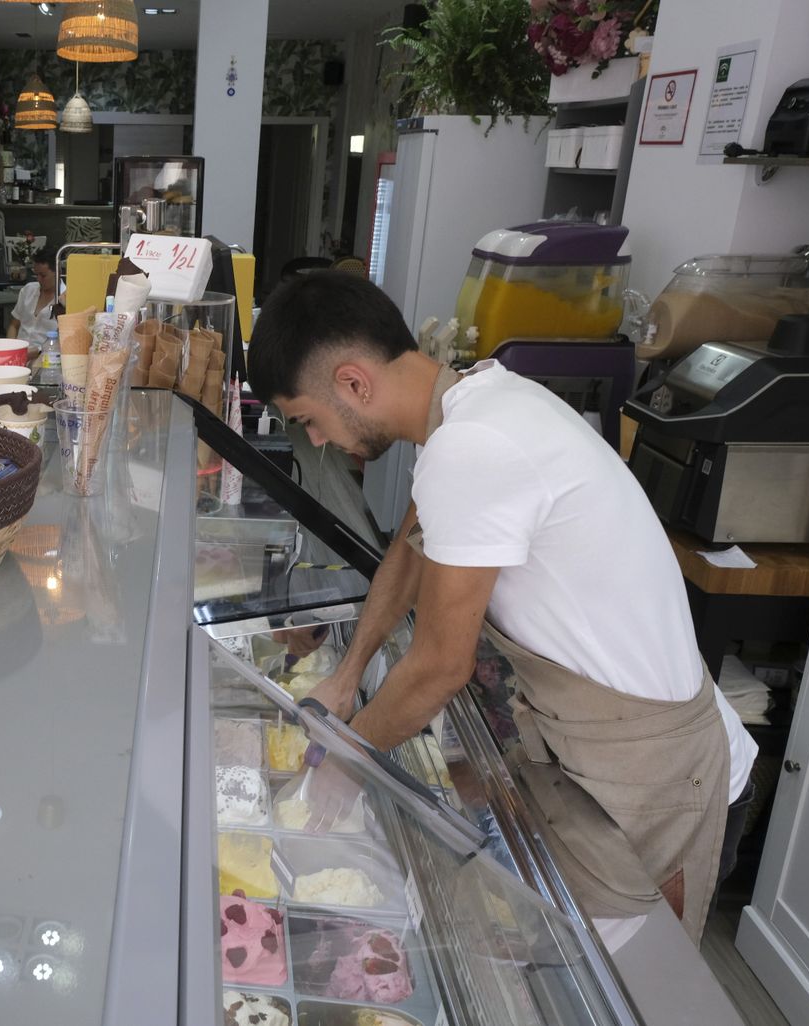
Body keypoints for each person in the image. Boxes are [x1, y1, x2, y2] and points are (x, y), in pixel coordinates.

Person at [247, 271, 757, 946]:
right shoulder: (477, 402)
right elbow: (406, 552)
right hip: (626, 749)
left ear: (352, 383)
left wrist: (351, 757)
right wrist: (347, 678)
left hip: (668, 776)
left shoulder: (472, 447)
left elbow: (439, 667)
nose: (313, 441)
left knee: (618, 991)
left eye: (307, 419)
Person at [7, 249, 58, 346]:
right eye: (36, 274)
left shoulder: (66, 299)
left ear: (57, 273)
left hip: (47, 355)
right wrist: (11, 347)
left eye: (43, 275)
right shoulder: (28, 290)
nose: (38, 279)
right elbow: (14, 325)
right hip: (19, 351)